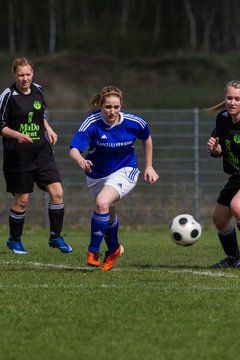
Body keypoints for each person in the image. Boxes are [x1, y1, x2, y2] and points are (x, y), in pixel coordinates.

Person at [69, 85, 159, 270]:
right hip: (96, 174)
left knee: (102, 202)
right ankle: (113, 249)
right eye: (108, 107)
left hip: (125, 170)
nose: (112, 111)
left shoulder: (135, 123)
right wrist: (80, 159)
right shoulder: (92, 122)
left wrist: (149, 166)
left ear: (121, 106)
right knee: (107, 214)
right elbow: (74, 149)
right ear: (100, 106)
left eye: (116, 107)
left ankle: (93, 251)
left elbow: (147, 139)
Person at [0, 57, 72, 254]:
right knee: (22, 200)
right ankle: (14, 240)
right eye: (21, 74)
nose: (25, 78)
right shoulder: (8, 95)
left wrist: (49, 129)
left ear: (33, 73)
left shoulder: (38, 89)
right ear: (14, 74)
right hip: (18, 157)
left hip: (42, 154)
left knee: (57, 193)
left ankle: (56, 237)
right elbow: (1, 126)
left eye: (28, 74)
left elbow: (41, 115)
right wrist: (17, 135)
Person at [207, 80, 240, 268]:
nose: (232, 102)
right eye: (229, 98)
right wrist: (216, 148)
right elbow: (218, 150)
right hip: (236, 176)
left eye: (237, 99)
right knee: (219, 218)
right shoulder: (222, 118)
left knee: (237, 206)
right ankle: (234, 259)